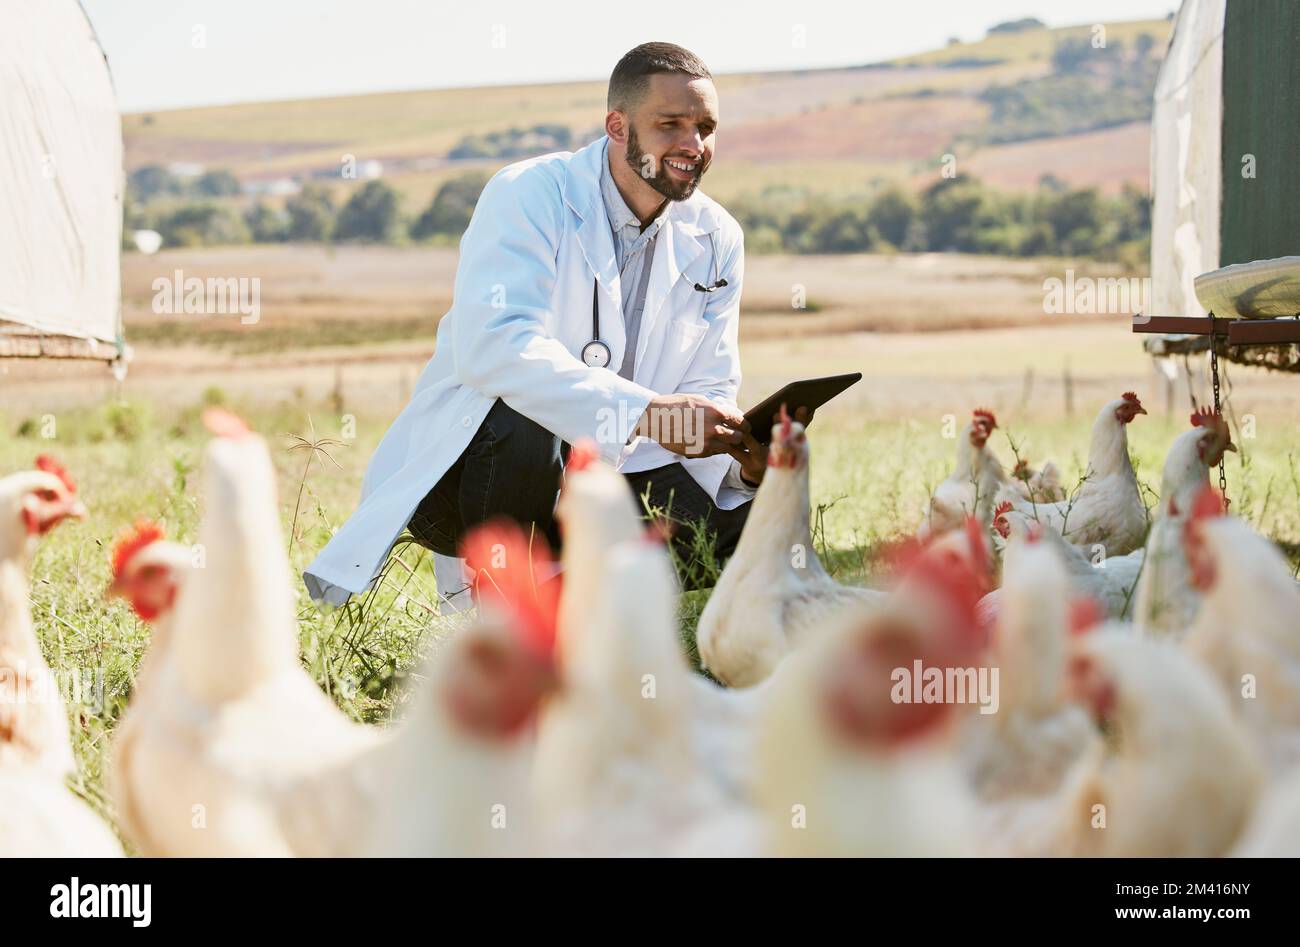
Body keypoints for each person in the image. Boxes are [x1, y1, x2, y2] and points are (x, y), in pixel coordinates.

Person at [304, 42, 806, 609]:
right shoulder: (529, 193)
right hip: (479, 473)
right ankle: (507, 616)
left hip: (619, 479)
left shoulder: (718, 236)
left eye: (706, 127)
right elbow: (495, 348)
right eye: (671, 125)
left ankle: (584, 609)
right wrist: (645, 414)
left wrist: (744, 461)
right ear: (617, 126)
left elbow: (711, 386)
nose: (694, 145)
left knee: (765, 516)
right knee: (526, 420)